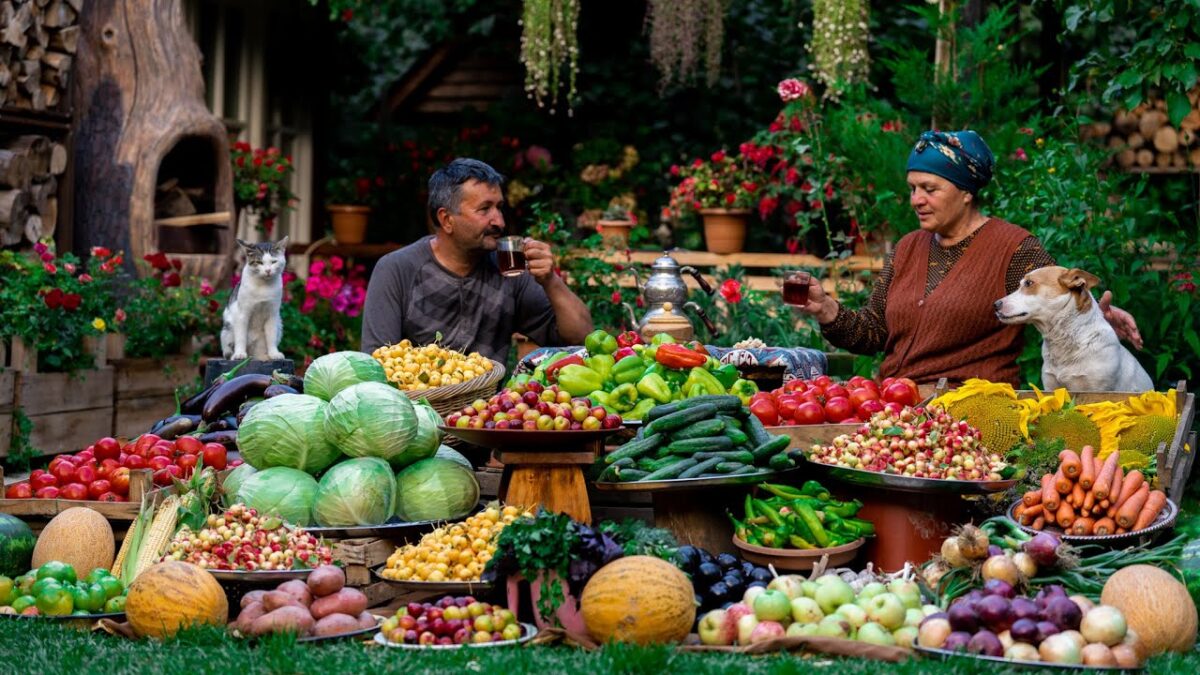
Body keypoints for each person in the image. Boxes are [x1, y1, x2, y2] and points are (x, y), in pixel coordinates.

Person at [792, 130, 1142, 386]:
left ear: (965, 193)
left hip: (972, 414)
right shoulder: (907, 248)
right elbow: (874, 332)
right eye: (913, 188)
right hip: (895, 406)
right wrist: (826, 309)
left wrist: (1095, 318)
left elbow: (1058, 299)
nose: (916, 199)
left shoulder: (1013, 248)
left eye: (930, 189)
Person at [360, 158, 593, 363]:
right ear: (446, 219)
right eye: (485, 209)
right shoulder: (398, 269)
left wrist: (550, 280)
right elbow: (377, 364)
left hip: (489, 411)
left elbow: (581, 339)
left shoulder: (508, 269)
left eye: (499, 207)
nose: (499, 221)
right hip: (418, 408)